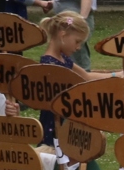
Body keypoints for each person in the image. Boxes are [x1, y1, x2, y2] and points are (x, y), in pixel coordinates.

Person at [35, 12, 94, 146]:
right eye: (77, 42)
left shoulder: (62, 59)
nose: (78, 47)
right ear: (63, 35)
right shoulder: (50, 65)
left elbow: (86, 76)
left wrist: (117, 75)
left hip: (65, 122)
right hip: (55, 125)